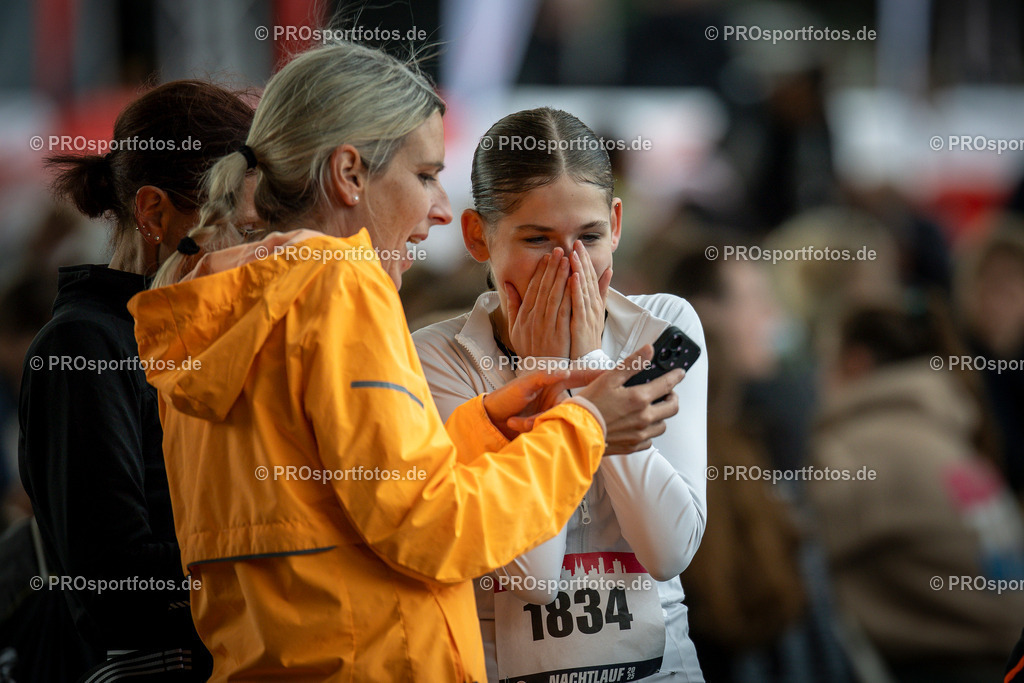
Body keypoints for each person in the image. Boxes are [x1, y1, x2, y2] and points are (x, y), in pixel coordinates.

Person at [130, 42, 682, 681]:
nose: (441, 210)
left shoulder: (216, 304)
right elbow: (433, 530)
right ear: (349, 174)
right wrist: (585, 428)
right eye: (424, 175)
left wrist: (486, 428)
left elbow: (344, 498)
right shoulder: (340, 284)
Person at [413, 107, 707, 682]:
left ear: (616, 225)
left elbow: (668, 552)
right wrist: (548, 373)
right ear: (477, 235)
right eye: (537, 239)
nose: (569, 265)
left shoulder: (663, 327)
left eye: (588, 237)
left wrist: (589, 363)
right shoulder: (434, 357)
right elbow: (534, 581)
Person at [17, 80, 255, 681]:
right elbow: (114, 585)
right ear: (153, 213)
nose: (264, 253)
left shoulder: (209, 337)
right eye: (245, 229)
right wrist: (283, 550)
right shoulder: (85, 345)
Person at [812, 304, 1024, 683]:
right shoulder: (941, 433)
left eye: (824, 362)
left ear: (855, 364)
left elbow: (791, 557)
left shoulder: (859, 447)